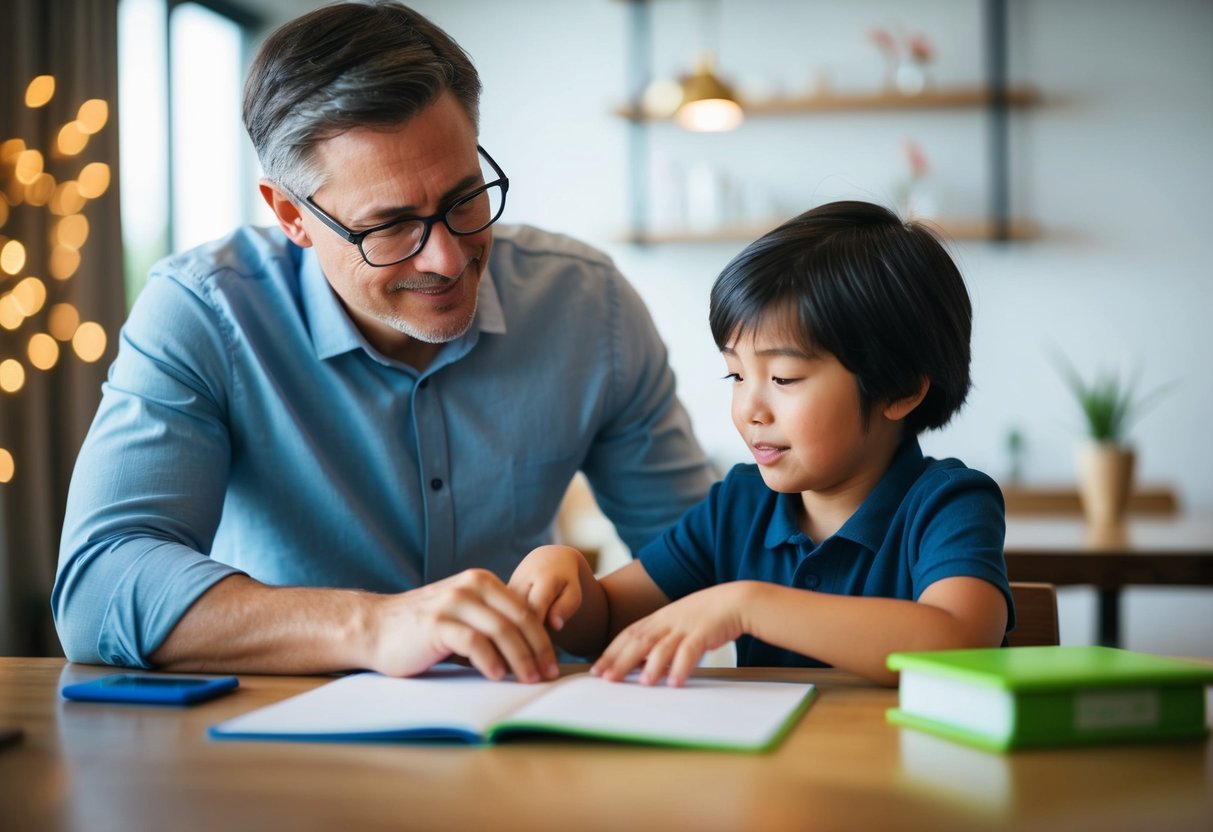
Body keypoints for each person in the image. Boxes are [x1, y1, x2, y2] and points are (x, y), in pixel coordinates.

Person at [52, 1, 715, 682]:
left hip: (528, 726)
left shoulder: (587, 304)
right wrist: (373, 625)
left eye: (464, 199)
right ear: (292, 216)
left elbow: (706, 555)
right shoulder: (202, 311)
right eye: (390, 226)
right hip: (279, 744)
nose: (449, 261)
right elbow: (99, 587)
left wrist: (587, 594)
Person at [509, 201, 1013, 687]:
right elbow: (607, 622)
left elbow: (959, 642)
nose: (750, 408)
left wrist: (749, 605)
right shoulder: (738, 506)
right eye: (735, 374)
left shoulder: (949, 503)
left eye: (784, 377)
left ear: (899, 388)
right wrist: (566, 577)